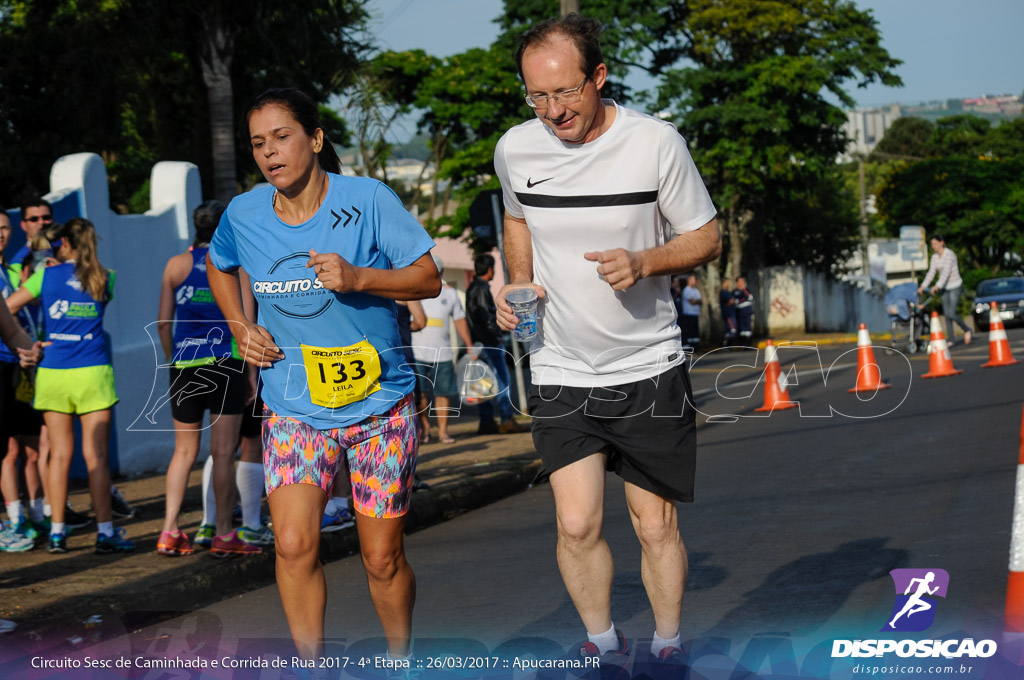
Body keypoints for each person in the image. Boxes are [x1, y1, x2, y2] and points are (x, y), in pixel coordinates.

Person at [493, 14, 720, 667]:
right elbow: (516, 219)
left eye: (565, 92)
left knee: (655, 525)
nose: (552, 111)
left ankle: (669, 644)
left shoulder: (656, 144)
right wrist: (518, 284)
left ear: (599, 76)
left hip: (648, 365)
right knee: (575, 523)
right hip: (562, 365)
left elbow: (706, 238)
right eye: (536, 96)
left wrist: (645, 262)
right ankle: (603, 643)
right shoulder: (517, 149)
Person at [205, 87, 439, 665]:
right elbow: (217, 262)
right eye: (258, 143)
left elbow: (428, 278)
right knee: (291, 545)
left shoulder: (368, 199)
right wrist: (239, 325)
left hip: (379, 404)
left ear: (314, 138)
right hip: (294, 406)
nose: (269, 153)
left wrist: (361, 278)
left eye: (281, 137)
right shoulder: (245, 213)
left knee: (381, 557)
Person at [6, 218, 134, 555]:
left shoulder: (44, 275)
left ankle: (58, 534)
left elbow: (7, 308)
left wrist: (33, 343)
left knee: (59, 456)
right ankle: (105, 533)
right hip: (93, 373)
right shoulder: (107, 278)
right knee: (97, 458)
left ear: (62, 243)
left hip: (53, 372)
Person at [155, 200, 260, 558]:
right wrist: (252, 373)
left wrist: (174, 358)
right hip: (225, 364)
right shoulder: (235, 266)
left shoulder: (174, 265)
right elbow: (245, 321)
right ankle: (225, 534)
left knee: (183, 451)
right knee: (222, 453)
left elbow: (164, 324)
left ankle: (169, 530)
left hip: (183, 366)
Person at [411, 256, 474, 445]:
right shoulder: (413, 292)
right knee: (420, 395)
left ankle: (443, 432)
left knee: (442, 394)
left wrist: (469, 344)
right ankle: (425, 430)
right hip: (417, 353)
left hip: (443, 353)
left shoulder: (450, 293)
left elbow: (460, 320)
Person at [465, 253, 522, 435]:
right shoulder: (481, 289)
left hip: (478, 343)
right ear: (489, 269)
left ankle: (486, 420)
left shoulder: (471, 288)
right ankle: (506, 418)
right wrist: (497, 336)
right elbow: (486, 318)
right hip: (489, 343)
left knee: (483, 383)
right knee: (502, 380)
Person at [918, 234, 971, 346]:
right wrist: (923, 286)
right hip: (944, 288)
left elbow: (946, 273)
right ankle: (951, 339)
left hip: (954, 286)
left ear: (941, 243)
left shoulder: (949, 254)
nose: (933, 246)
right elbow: (931, 273)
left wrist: (937, 286)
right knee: (947, 315)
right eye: (932, 244)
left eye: (935, 243)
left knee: (951, 313)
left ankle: (967, 329)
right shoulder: (934, 257)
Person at [680, 274, 701, 348]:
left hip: (695, 313)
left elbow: (700, 301)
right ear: (689, 280)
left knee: (695, 332)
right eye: (693, 279)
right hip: (688, 313)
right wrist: (696, 301)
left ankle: (696, 347)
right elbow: (692, 302)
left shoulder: (696, 290)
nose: (695, 281)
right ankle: (690, 347)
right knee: (690, 331)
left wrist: (696, 301)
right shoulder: (686, 290)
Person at [733, 276, 754, 345]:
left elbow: (750, 297)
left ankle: (748, 343)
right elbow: (734, 301)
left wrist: (744, 289)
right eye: (740, 281)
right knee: (740, 328)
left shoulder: (746, 289)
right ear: (737, 283)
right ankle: (742, 343)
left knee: (747, 327)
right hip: (739, 312)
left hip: (747, 311)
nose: (742, 283)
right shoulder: (735, 291)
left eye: (743, 281)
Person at [718, 278, 737, 346]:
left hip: (731, 313)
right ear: (723, 283)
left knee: (732, 330)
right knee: (732, 330)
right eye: (727, 282)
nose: (728, 284)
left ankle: (729, 345)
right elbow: (730, 302)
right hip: (728, 314)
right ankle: (725, 344)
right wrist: (732, 301)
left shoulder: (728, 292)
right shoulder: (723, 292)